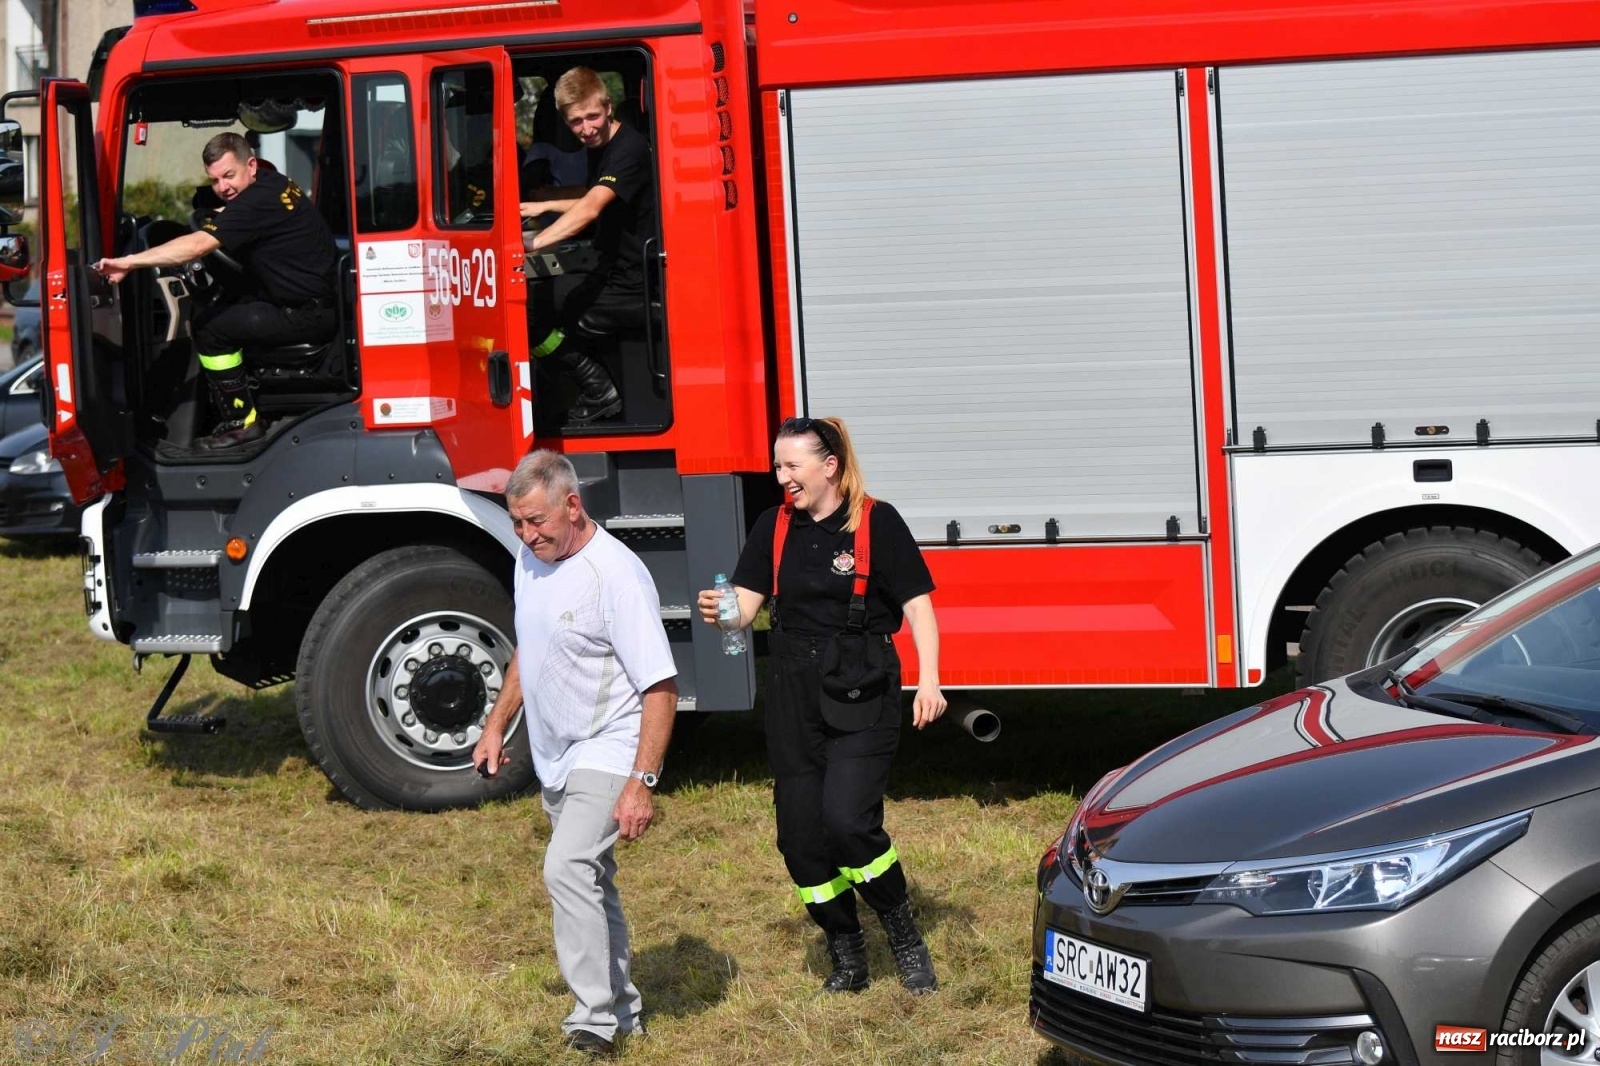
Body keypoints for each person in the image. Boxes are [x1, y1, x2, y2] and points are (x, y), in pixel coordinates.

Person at [696, 416, 948, 994]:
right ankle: (847, 949)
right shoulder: (774, 525)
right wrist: (723, 612)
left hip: (862, 684)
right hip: (792, 689)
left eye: (792, 466)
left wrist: (929, 681)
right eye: (777, 466)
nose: (782, 477)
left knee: (848, 822)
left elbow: (919, 608)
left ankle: (902, 932)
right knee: (801, 838)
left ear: (828, 466)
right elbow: (747, 606)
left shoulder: (876, 522)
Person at [474, 449, 678, 1058]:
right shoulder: (530, 559)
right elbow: (528, 649)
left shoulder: (614, 574)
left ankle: (592, 1020)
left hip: (609, 745)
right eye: (516, 522)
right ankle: (623, 1010)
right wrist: (496, 724)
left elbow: (660, 686)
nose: (526, 534)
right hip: (554, 752)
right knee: (591, 880)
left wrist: (641, 781)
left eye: (536, 521)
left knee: (565, 868)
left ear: (572, 504)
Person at [93, 131, 338, 451]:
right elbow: (231, 218)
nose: (223, 188)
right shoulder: (272, 184)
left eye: (229, 175)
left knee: (211, 328)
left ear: (250, 165)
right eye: (215, 180)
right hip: (316, 304)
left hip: (305, 315)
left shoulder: (256, 201)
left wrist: (128, 262)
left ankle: (243, 421)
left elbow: (196, 246)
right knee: (235, 304)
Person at [520, 67, 655, 426]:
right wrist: (546, 206)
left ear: (608, 106)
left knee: (528, 316)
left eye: (593, 116)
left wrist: (532, 244)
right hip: (613, 268)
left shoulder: (629, 148)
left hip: (631, 282)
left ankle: (598, 390)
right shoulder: (604, 144)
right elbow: (596, 197)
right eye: (576, 121)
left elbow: (593, 207)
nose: (587, 128)